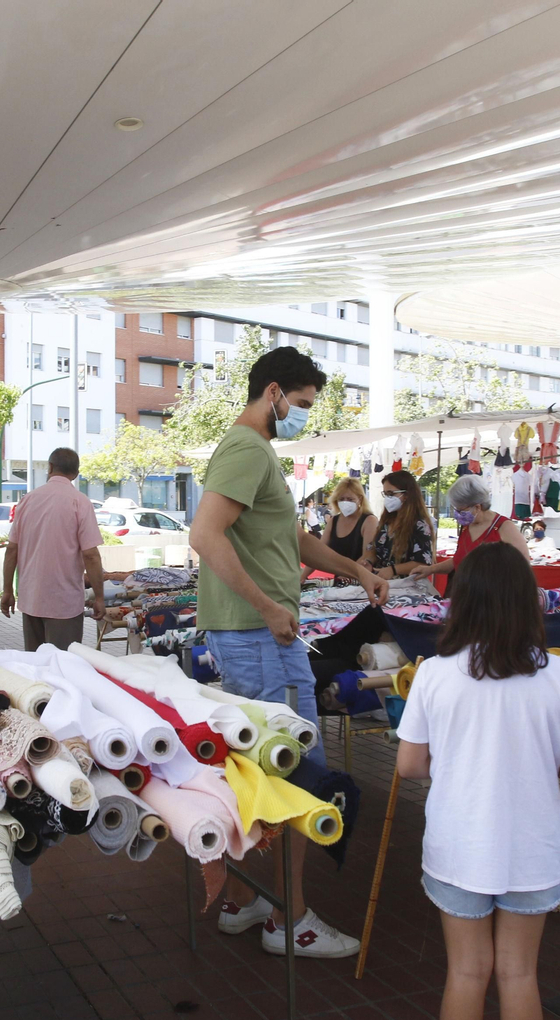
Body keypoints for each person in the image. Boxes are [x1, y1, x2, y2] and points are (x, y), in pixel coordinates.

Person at [189, 345, 389, 959]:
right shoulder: (247, 448)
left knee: (261, 770)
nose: (304, 415)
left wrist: (354, 568)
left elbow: (292, 537)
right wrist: (269, 607)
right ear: (274, 392)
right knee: (296, 770)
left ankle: (249, 902)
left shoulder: (258, 453)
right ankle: (290, 920)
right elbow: (205, 534)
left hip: (259, 635)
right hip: (259, 637)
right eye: (301, 404)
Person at [396, 543, 560, 1020]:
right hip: (531, 852)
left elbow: (410, 765)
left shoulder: (434, 674)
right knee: (519, 975)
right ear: (526, 601)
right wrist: (535, 758)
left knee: (465, 974)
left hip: (458, 847)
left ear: (459, 601)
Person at [0, 447, 105, 652]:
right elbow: (91, 555)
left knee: (36, 667)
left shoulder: (27, 500)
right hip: (63, 603)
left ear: (49, 468)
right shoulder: (80, 502)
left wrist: (7, 590)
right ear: (75, 473)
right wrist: (99, 598)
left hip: (31, 599)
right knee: (62, 667)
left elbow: (12, 550)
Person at [411, 474, 530, 585]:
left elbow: (522, 567)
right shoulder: (467, 527)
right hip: (465, 594)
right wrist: (430, 569)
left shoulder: (504, 527)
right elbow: (459, 560)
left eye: (461, 510)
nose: (457, 514)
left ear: (477, 507)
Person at [362, 469, 435, 579]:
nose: (387, 498)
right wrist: (367, 562)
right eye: (385, 494)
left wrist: (393, 570)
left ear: (406, 495)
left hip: (407, 586)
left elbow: (423, 562)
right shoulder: (386, 522)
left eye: (391, 494)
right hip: (381, 582)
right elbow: (374, 549)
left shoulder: (420, 525)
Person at [323, 478, 378, 572]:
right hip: (340, 577)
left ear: (360, 499)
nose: (345, 502)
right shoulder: (334, 521)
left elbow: (367, 556)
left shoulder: (369, 521)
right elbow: (319, 551)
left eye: (350, 499)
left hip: (360, 576)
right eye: (341, 499)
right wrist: (302, 576)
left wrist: (346, 574)